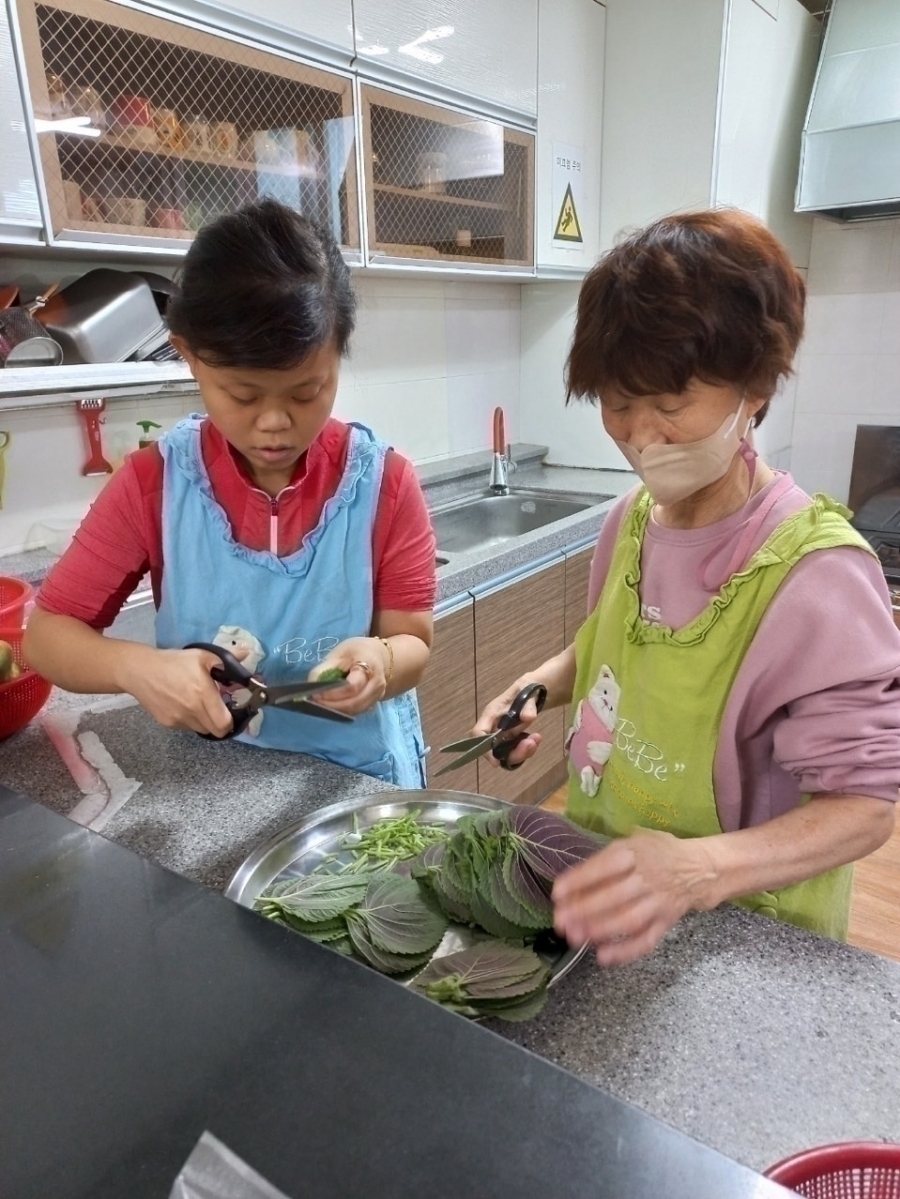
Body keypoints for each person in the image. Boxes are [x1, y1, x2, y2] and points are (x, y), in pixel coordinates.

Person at [474, 209, 900, 963]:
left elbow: (864, 807)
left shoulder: (819, 574)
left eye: (671, 406)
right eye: (618, 404)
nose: (642, 436)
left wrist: (699, 869)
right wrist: (538, 685)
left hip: (745, 942)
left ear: (755, 389)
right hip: (612, 904)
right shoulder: (630, 521)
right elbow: (610, 649)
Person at [25, 200, 435, 787]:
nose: (275, 423)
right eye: (243, 395)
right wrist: (136, 668)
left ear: (338, 352)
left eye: (306, 392)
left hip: (357, 779)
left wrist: (382, 661)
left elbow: (412, 640)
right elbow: (46, 638)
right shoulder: (154, 483)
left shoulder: (384, 483)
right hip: (209, 781)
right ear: (189, 356)